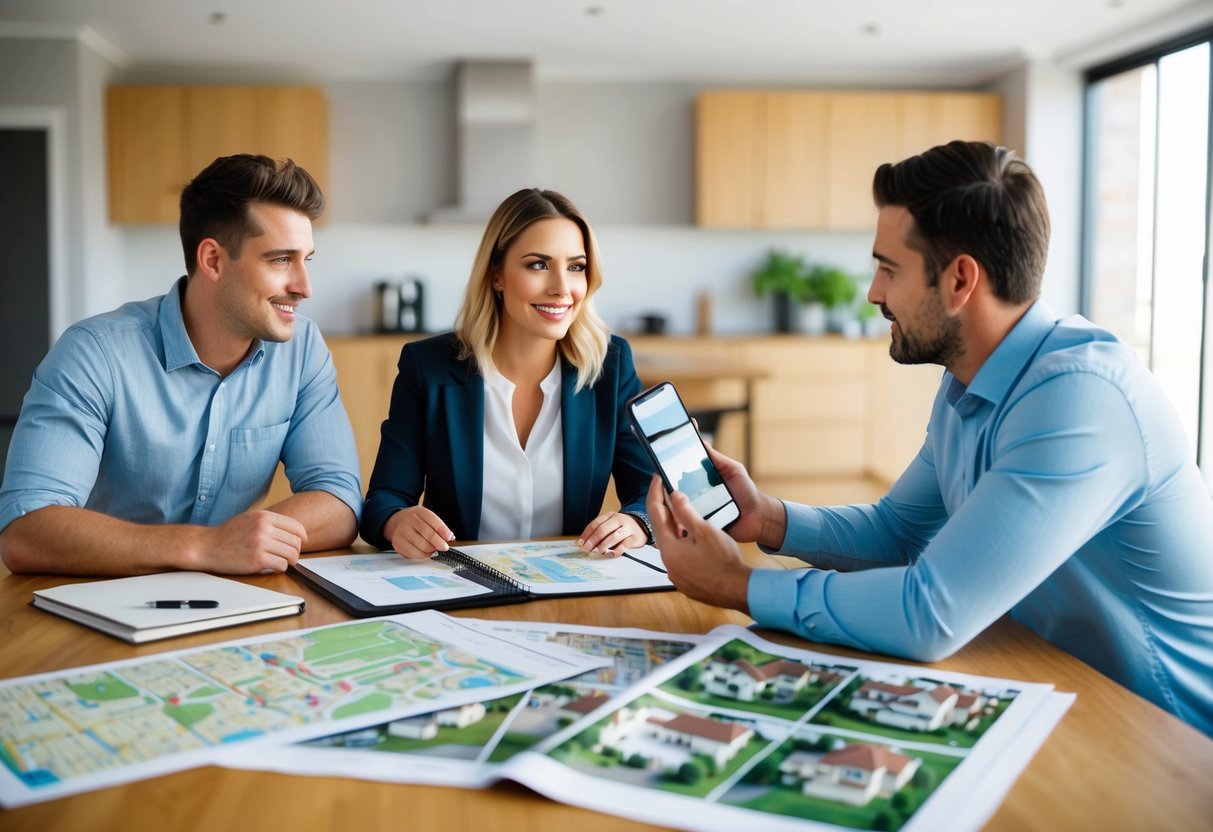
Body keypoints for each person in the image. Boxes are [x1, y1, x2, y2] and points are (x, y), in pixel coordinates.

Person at [648, 140, 1213, 737]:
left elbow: (931, 612)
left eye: (889, 269)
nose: (873, 293)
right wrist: (766, 519)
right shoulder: (969, 381)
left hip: (1166, 739)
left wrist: (738, 586)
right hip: (1060, 691)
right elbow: (899, 531)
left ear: (960, 280)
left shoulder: (1080, 399)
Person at [0, 154, 362, 576]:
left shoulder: (302, 350)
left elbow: (338, 499)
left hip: (235, 599)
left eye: (307, 259)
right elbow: (26, 530)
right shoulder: (93, 354)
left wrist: (239, 545)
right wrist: (204, 547)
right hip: (99, 600)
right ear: (212, 260)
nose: (304, 287)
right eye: (281, 259)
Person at [361, 188, 654, 559]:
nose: (562, 288)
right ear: (496, 275)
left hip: (568, 585)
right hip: (463, 585)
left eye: (576, 267)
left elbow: (652, 492)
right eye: (538, 264)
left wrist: (637, 523)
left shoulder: (609, 366)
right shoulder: (428, 367)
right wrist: (397, 521)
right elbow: (383, 500)